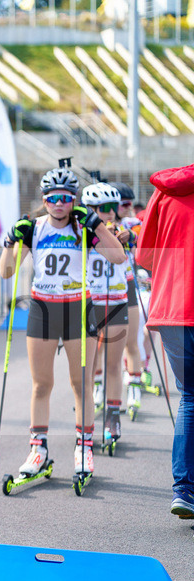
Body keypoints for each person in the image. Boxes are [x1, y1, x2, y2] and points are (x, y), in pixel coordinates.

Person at [0, 166, 124, 483]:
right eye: (53, 198)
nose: (59, 204)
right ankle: (38, 449)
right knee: (42, 384)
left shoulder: (83, 228)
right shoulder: (34, 228)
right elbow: (6, 273)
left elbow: (118, 257)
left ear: (73, 201)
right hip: (43, 308)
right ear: (45, 199)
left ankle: (84, 448)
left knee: (80, 384)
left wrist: (97, 225)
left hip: (77, 310)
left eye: (65, 198)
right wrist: (10, 241)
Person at [134, 162, 194, 519]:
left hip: (172, 309)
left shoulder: (164, 191)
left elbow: (144, 256)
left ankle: (184, 491)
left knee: (190, 395)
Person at [81, 182, 133, 446]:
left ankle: (113, 418)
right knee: (87, 368)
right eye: (104, 208)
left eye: (114, 207)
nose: (111, 212)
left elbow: (134, 237)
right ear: (91, 209)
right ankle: (85, 416)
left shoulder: (122, 229)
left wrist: (130, 239)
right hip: (90, 303)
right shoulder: (80, 233)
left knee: (113, 364)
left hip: (116, 302)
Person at [110, 181, 148, 413]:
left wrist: (133, 240)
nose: (128, 208)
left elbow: (144, 241)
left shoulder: (133, 224)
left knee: (131, 341)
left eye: (131, 204)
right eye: (124, 204)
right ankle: (97, 388)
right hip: (101, 290)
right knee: (101, 348)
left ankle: (134, 387)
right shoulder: (99, 226)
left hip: (128, 285)